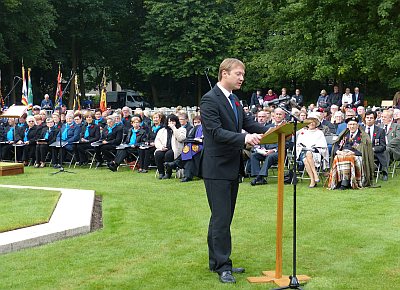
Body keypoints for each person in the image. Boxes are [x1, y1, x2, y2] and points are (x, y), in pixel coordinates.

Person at [200, 58, 267, 283]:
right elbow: (216, 132)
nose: (242, 78)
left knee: (223, 217)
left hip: (231, 167)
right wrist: (244, 138)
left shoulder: (235, 100)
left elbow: (250, 124)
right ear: (224, 73)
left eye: (243, 74)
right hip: (216, 168)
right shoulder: (209, 100)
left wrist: (275, 131)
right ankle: (223, 265)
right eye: (238, 73)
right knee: (221, 218)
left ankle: (216, 262)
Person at [328, 116, 374, 190]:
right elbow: (336, 144)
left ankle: (346, 182)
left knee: (348, 158)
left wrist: (352, 152)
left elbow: (364, 150)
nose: (352, 126)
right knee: (337, 157)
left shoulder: (363, 136)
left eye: (354, 124)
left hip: (357, 155)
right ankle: (337, 181)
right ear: (347, 126)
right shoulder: (344, 134)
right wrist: (338, 151)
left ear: (358, 125)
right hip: (342, 153)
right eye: (350, 124)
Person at [296, 117, 329, 187]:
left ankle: (313, 180)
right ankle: (315, 176)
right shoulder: (303, 132)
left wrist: (312, 148)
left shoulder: (319, 133)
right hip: (304, 152)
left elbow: (323, 145)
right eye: (310, 122)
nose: (311, 123)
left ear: (316, 123)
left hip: (316, 153)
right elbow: (299, 144)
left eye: (313, 122)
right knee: (305, 158)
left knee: (307, 155)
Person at [154, 114, 186, 179]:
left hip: (175, 150)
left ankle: (168, 173)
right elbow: (157, 141)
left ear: (176, 122)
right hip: (164, 148)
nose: (171, 123)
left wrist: (174, 128)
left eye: (173, 121)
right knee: (158, 154)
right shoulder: (162, 130)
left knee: (169, 154)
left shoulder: (181, 129)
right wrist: (161, 147)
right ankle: (161, 173)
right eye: (169, 122)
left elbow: (181, 138)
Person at [363, 110, 388, 180]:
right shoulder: (360, 129)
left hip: (374, 152)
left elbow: (383, 146)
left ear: (375, 119)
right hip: (361, 151)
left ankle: (381, 170)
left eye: (371, 118)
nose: (369, 119)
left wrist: (372, 149)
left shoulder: (380, 131)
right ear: (365, 119)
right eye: (367, 118)